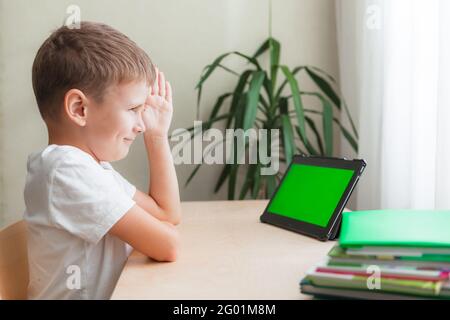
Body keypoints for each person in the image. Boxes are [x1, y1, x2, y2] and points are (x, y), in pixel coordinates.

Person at [23, 21, 181, 299]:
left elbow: (167, 215)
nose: (141, 124)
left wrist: (157, 137)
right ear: (79, 108)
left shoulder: (92, 168)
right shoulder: (65, 169)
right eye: (133, 108)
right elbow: (167, 244)